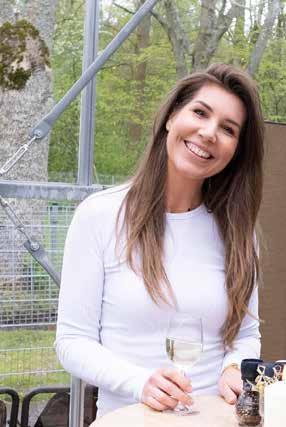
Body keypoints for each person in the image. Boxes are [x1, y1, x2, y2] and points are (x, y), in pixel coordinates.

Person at [55, 63, 264, 417]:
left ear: (236, 151)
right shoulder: (100, 215)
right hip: (128, 420)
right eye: (200, 113)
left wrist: (233, 367)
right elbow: (72, 342)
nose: (209, 132)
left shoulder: (238, 232)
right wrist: (140, 383)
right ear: (170, 117)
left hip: (214, 419)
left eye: (228, 129)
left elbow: (246, 335)